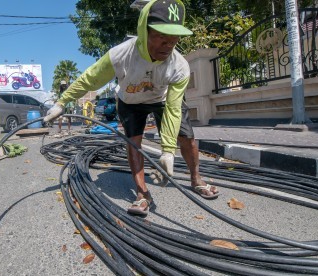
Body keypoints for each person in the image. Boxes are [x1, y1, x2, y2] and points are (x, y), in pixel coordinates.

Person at [44, 0, 219, 216]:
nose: (168, 46)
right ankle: (142, 193)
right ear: (144, 31)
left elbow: (174, 109)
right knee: (134, 144)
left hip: (162, 99)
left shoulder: (179, 66)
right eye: (162, 37)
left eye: (173, 40)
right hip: (130, 101)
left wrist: (167, 152)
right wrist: (62, 102)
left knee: (187, 137)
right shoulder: (121, 55)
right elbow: (90, 79)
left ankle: (196, 179)